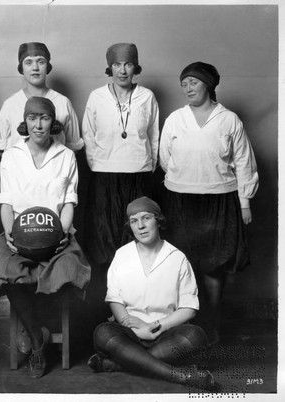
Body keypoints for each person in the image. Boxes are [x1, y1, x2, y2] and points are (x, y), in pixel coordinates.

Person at [0, 97, 91, 378]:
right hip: (18, 234)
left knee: (69, 270)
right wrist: (10, 235)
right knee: (4, 270)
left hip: (57, 235)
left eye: (44, 118)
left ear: (52, 122)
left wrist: (63, 233)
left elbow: (69, 202)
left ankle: (35, 324)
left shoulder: (66, 156)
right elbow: (6, 201)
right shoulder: (11, 155)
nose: (38, 124)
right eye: (32, 118)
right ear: (25, 122)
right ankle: (37, 341)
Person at [159, 62, 259, 345]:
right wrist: (186, 180)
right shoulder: (176, 119)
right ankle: (183, 328)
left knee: (215, 266)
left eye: (194, 82)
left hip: (221, 201)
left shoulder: (229, 120)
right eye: (184, 83)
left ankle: (212, 325)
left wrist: (245, 203)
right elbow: (166, 160)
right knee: (182, 264)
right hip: (181, 201)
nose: (187, 88)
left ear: (209, 85)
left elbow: (243, 163)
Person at [88, 196, 217, 390]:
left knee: (195, 336)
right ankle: (182, 376)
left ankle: (118, 364)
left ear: (158, 220)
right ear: (129, 226)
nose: (140, 226)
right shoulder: (122, 255)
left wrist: (155, 326)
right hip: (129, 332)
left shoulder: (177, 258)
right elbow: (114, 299)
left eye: (146, 218)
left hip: (166, 332)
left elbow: (189, 308)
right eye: (134, 221)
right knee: (103, 333)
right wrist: (132, 325)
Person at [82, 43, 159, 315]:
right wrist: (100, 165)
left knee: (136, 239)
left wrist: (146, 168)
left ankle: (136, 307)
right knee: (104, 240)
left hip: (138, 176)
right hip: (104, 177)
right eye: (117, 64)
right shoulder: (96, 97)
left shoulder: (147, 97)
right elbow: (88, 136)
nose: (122, 70)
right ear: (110, 67)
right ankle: (107, 310)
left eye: (128, 64)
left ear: (135, 67)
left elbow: (154, 137)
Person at [0, 42, 83, 152]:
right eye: (28, 62)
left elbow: (73, 146)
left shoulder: (63, 103)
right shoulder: (10, 104)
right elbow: (1, 148)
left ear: (48, 66)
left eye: (41, 62)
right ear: (22, 67)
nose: (35, 68)